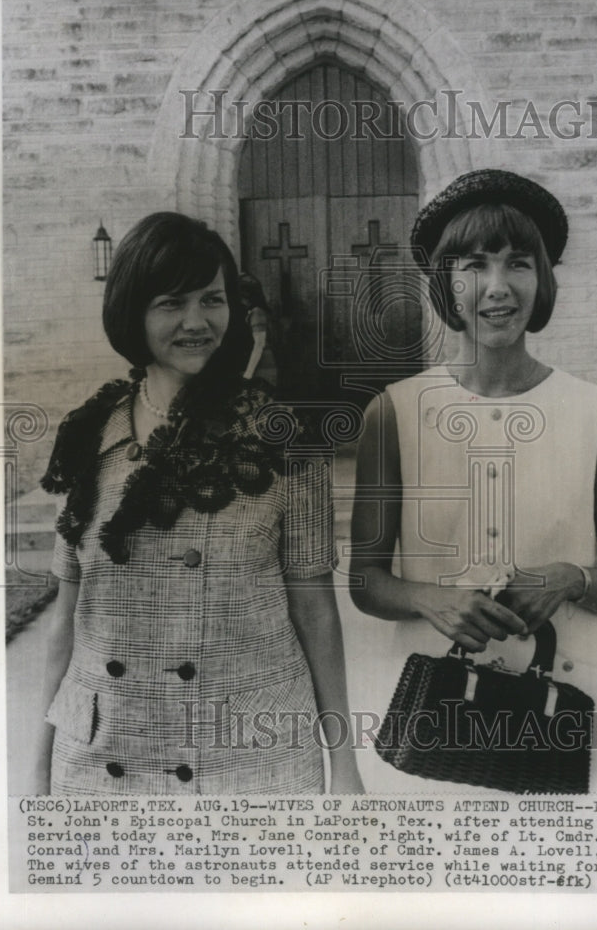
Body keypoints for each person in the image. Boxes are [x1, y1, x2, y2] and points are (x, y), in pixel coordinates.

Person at [32, 211, 362, 795]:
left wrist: (346, 768)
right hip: (102, 761)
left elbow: (317, 612)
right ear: (133, 310)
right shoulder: (87, 435)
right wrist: (36, 766)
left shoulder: (285, 440)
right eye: (171, 302)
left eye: (212, 300)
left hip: (252, 764)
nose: (196, 322)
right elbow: (66, 617)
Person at [349, 169, 597, 792]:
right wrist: (431, 598)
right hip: (437, 705)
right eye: (473, 265)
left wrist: (574, 577)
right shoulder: (395, 412)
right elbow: (365, 580)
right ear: (445, 284)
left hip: (561, 701)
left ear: (541, 282)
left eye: (518, 264)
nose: (496, 287)